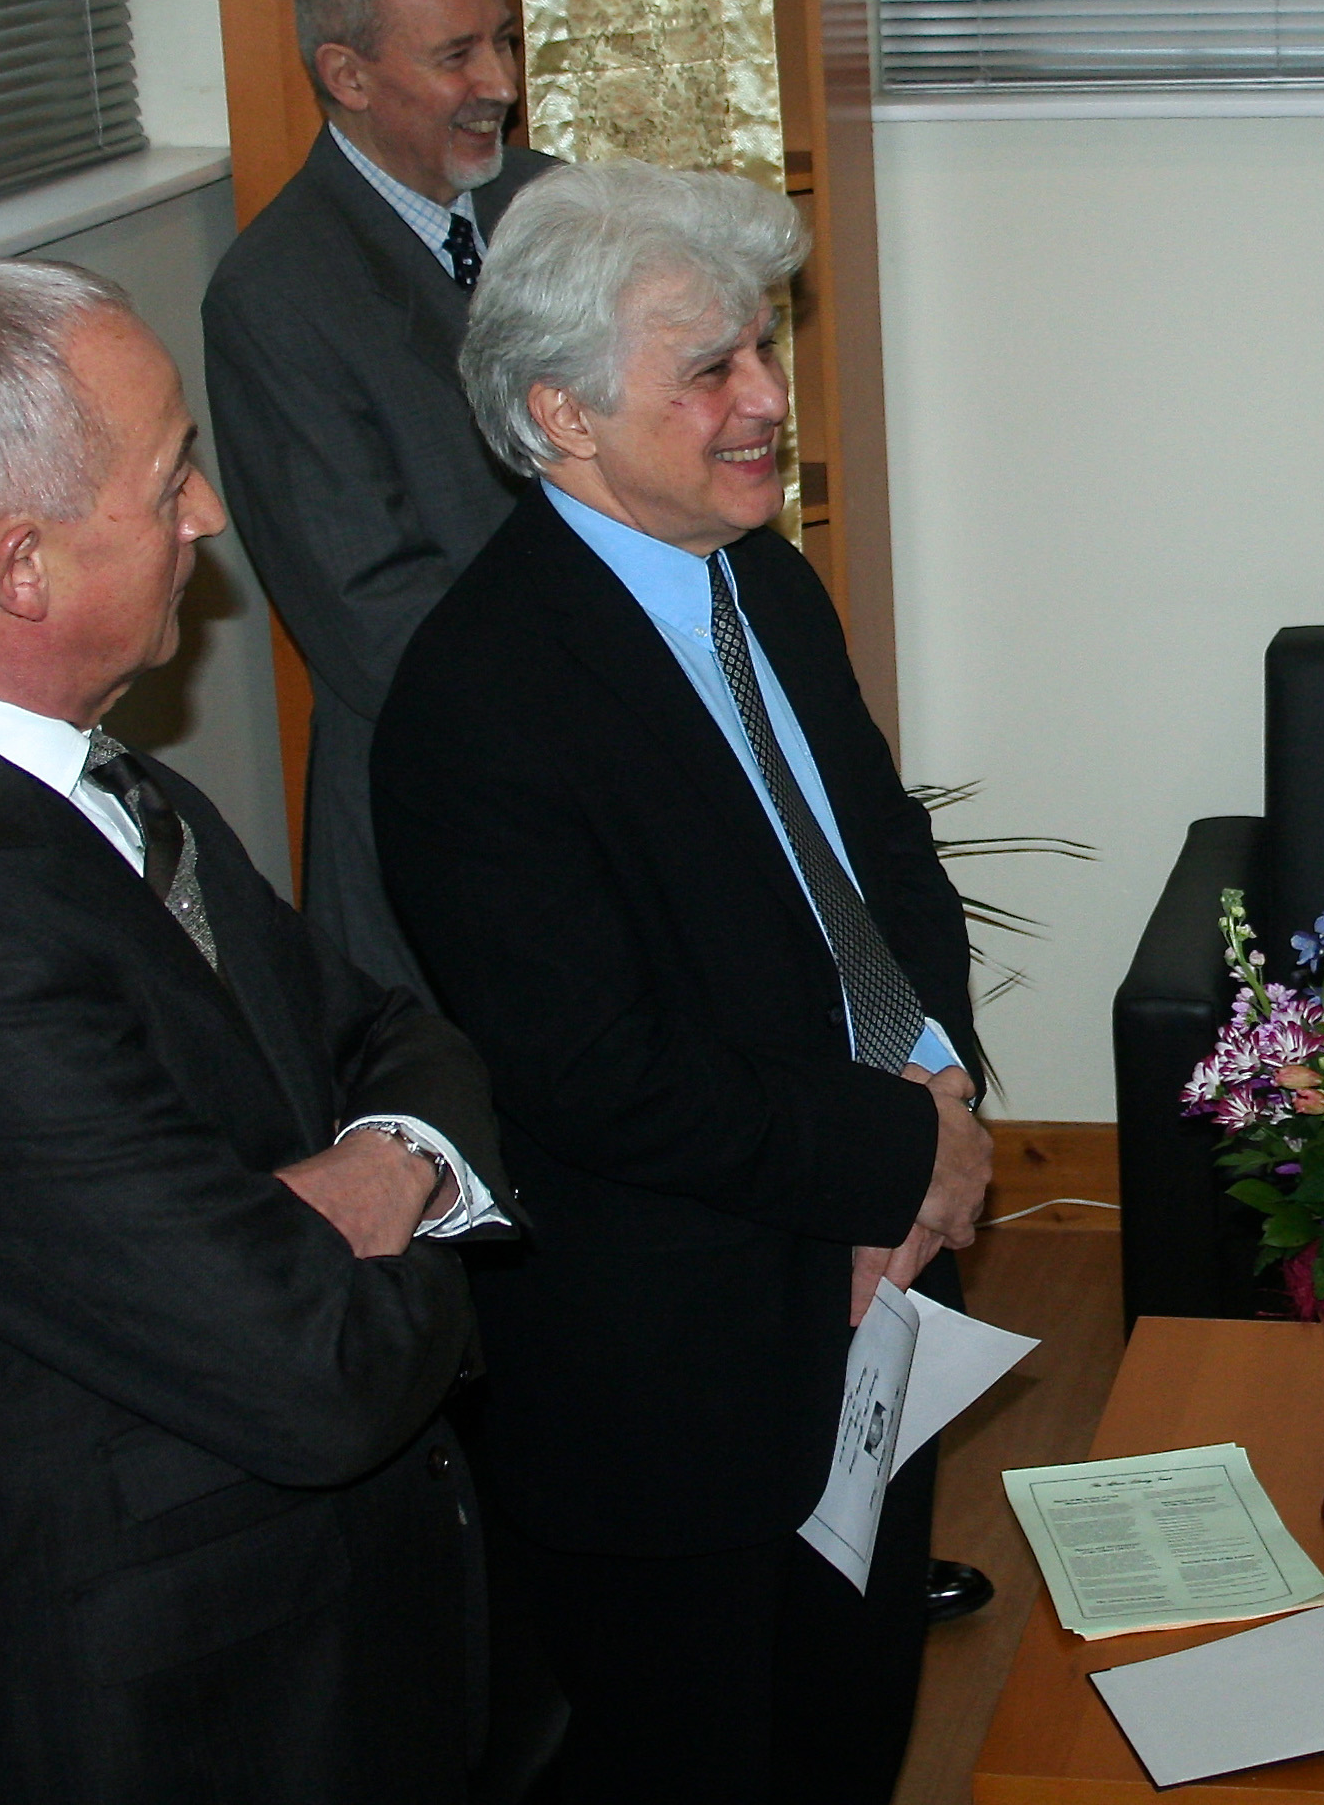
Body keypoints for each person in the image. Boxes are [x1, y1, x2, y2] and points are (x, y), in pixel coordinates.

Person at [0, 255, 518, 1802]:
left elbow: (389, 1029)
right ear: (21, 569)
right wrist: (419, 1188)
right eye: (168, 482)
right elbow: (319, 1380)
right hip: (195, 1718)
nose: (208, 514)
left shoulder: (81, 775)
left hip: (333, 1642)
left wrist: (384, 1170)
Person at [371, 161, 995, 1802]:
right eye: (711, 367)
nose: (768, 398)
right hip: (679, 1376)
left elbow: (886, 861)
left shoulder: (765, 579)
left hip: (878, 1290)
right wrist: (898, 1155)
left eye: (762, 349)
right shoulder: (476, 703)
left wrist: (940, 1084)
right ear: (561, 415)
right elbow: (596, 1070)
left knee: (854, 1730)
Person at [201, 0, 557, 997]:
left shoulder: (557, 206)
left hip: (607, 779)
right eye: (457, 55)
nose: (499, 83)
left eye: (503, 41)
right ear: (346, 76)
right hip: (448, 811)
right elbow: (374, 621)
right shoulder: (276, 294)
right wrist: (603, 711)